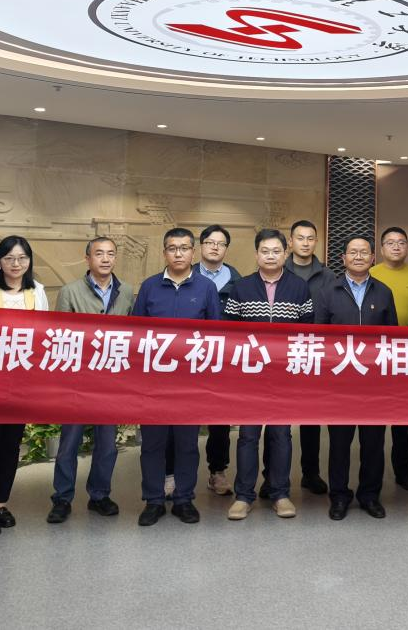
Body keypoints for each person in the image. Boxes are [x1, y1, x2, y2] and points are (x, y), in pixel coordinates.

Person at [130, 227, 221, 526]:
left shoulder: (206, 288)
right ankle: (153, 500)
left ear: (193, 252)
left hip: (190, 383)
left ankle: (184, 499)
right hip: (154, 383)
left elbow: (217, 336)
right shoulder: (149, 286)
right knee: (152, 444)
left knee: (186, 444)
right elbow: (136, 334)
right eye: (172, 248)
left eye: (184, 248)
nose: (178, 253)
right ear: (164, 252)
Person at [224, 229, 314, 520]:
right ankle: (243, 496)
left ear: (285, 254)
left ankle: (280, 494)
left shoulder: (299, 287)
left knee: (281, 435)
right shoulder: (241, 287)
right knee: (248, 436)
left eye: (276, 251)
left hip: (284, 377)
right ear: (256, 254)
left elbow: (307, 332)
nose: (271, 256)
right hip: (250, 377)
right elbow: (230, 334)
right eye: (265, 251)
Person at [48, 237, 136, 524]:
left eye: (111, 254)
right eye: (99, 254)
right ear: (88, 258)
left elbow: (133, 337)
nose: (106, 259)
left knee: (107, 444)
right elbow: (59, 336)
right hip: (78, 380)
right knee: (69, 444)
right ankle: (62, 498)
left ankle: (99, 495)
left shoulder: (127, 292)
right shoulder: (70, 291)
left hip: (111, 382)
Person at [0, 236, 49, 536]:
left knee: (11, 444)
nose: (16, 264)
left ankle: (0, 502)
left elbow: (45, 333)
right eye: (9, 258)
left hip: (23, 380)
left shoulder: (37, 291)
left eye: (22, 258)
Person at [314, 236, 397, 520]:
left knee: (373, 443)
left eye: (364, 252)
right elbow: (319, 338)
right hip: (340, 383)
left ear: (373, 258)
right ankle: (339, 496)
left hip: (374, 384)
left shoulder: (383, 292)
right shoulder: (327, 292)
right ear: (343, 258)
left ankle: (370, 495)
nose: (359, 257)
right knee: (339, 444)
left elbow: (392, 339)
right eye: (353, 252)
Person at [282, 219, 335, 496]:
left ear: (316, 241)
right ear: (290, 242)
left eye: (310, 238)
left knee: (311, 418)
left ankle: (310, 473)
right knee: (277, 419)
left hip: (315, 353)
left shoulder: (328, 276)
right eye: (299, 238)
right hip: (281, 354)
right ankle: (273, 477)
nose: (305, 243)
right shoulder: (278, 269)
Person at [369, 226, 408, 491]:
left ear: (407, 247)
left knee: (403, 418)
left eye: (401, 242)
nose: (396, 246)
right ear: (381, 249)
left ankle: (404, 471)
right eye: (390, 243)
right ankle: (373, 473)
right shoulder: (370, 274)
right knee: (375, 420)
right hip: (374, 356)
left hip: (406, 355)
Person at [195, 224, 241, 497]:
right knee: (183, 418)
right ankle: (174, 474)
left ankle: (218, 471)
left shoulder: (238, 282)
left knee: (220, 419)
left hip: (224, 359)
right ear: (200, 246)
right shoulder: (186, 276)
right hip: (190, 357)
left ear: (226, 249)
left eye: (221, 243)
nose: (215, 247)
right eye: (210, 242)